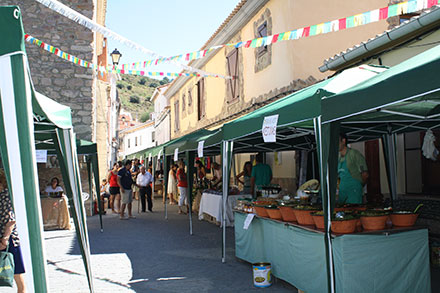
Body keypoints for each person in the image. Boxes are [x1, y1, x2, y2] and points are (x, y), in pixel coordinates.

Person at [0, 169, 26, 293]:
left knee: (17, 276)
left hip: (8, 240)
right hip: (5, 240)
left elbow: (11, 221)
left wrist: (4, 239)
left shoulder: (5, 197)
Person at [338, 133, 369, 204]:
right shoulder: (338, 157)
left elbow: (365, 174)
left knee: (354, 212)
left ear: (343, 141)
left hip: (354, 190)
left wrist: (358, 186)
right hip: (342, 191)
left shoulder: (354, 154)